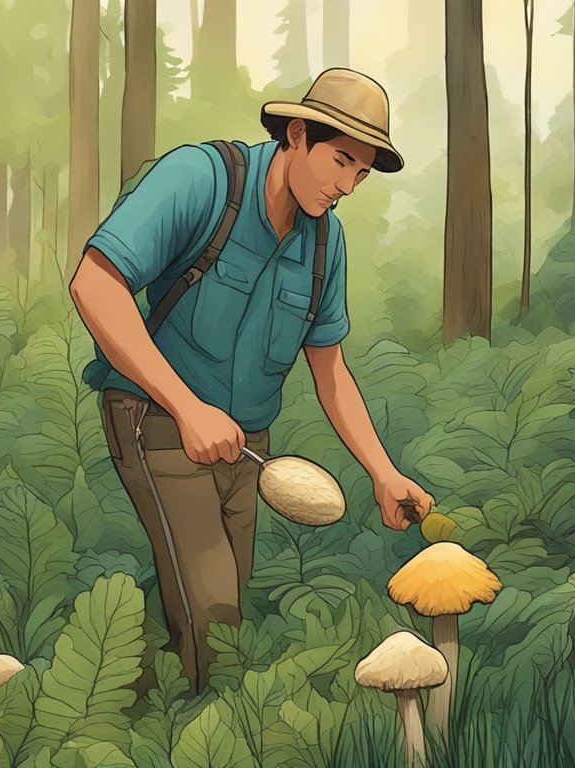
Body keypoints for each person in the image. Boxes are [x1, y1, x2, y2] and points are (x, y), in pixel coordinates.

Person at [67, 68, 435, 692]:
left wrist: (383, 472)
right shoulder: (200, 179)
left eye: (362, 173)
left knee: (223, 613)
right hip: (156, 419)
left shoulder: (325, 243)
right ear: (297, 134)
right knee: (214, 615)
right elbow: (94, 283)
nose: (346, 186)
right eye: (340, 161)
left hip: (249, 450)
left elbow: (332, 370)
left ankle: (149, 711)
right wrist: (187, 408)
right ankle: (213, 734)